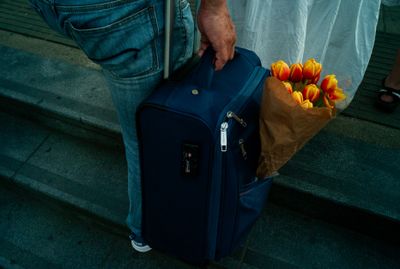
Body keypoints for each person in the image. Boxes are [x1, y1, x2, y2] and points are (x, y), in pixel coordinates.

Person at [28, 0, 236, 252]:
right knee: (150, 135)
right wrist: (214, 7)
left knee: (135, 116)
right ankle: (149, 226)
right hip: (127, 12)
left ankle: (144, 226)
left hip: (61, 8)